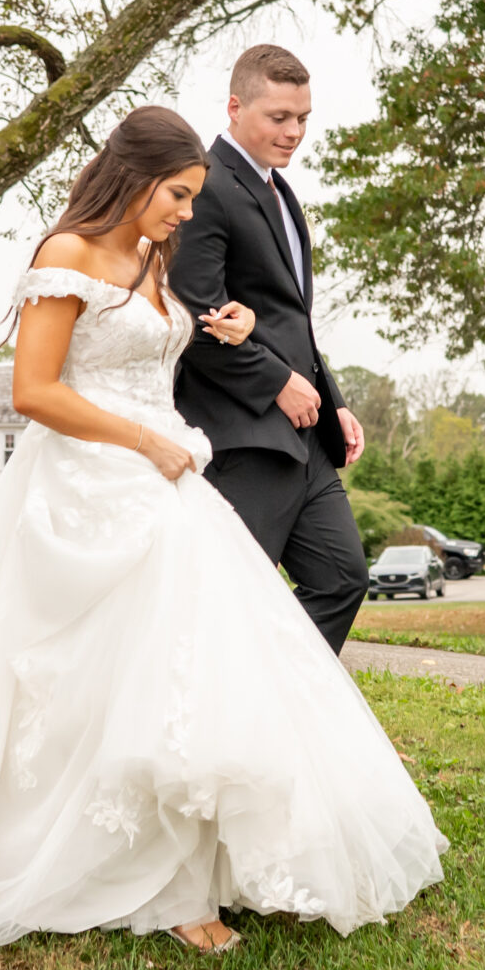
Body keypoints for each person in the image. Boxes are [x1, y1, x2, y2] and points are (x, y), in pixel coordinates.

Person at [0, 106, 445, 970]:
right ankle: (150, 882)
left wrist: (231, 328)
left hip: (168, 469)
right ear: (134, 178)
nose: (184, 211)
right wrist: (142, 442)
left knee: (185, 665)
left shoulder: (156, 255)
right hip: (92, 474)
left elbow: (169, 345)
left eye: (191, 197)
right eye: (176, 193)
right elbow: (33, 390)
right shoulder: (65, 255)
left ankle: (187, 865)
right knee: (90, 665)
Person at [169, 45, 371, 652]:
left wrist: (331, 400)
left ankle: (281, 711)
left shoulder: (281, 193)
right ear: (235, 107)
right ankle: (226, 715)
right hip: (243, 435)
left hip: (306, 439)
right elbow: (195, 316)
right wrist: (277, 383)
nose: (294, 132)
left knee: (342, 579)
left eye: (304, 117)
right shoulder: (205, 188)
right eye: (279, 116)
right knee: (232, 595)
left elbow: (292, 321)